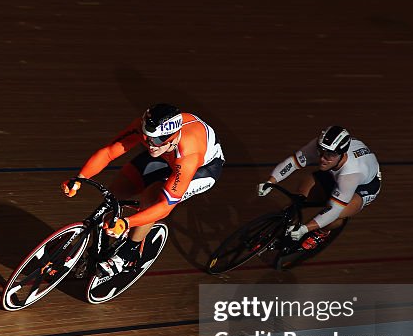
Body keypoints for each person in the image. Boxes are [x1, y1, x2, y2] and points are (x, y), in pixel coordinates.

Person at [62, 103, 225, 276]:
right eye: (147, 138)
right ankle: (102, 246)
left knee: (152, 197)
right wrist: (80, 178)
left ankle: (127, 254)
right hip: (166, 156)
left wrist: (127, 222)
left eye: (156, 141)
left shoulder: (189, 154)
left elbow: (164, 207)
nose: (150, 144)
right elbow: (109, 152)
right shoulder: (148, 132)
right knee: (115, 193)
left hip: (202, 170)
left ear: (173, 137)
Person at [257, 126, 381, 250]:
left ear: (341, 154)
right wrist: (270, 182)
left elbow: (334, 210)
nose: (322, 158)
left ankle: (321, 233)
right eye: (321, 151)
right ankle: (277, 228)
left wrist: (305, 229)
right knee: (298, 199)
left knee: (337, 216)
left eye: (330, 155)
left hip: (363, 187)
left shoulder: (351, 175)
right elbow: (293, 162)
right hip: (335, 173)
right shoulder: (322, 146)